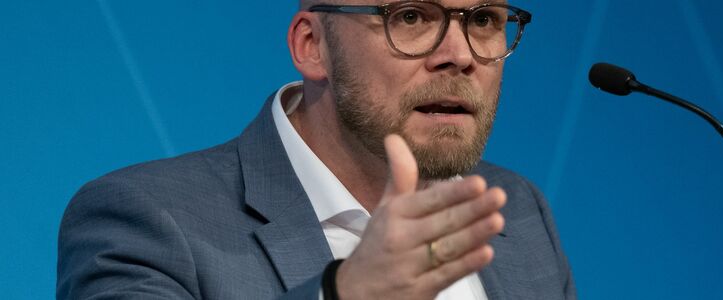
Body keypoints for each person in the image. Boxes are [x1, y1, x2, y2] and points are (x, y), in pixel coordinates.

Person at [57, 0, 576, 299]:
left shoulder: (518, 209)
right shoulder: (143, 222)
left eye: (483, 19)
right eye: (411, 16)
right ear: (312, 45)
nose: (460, 55)